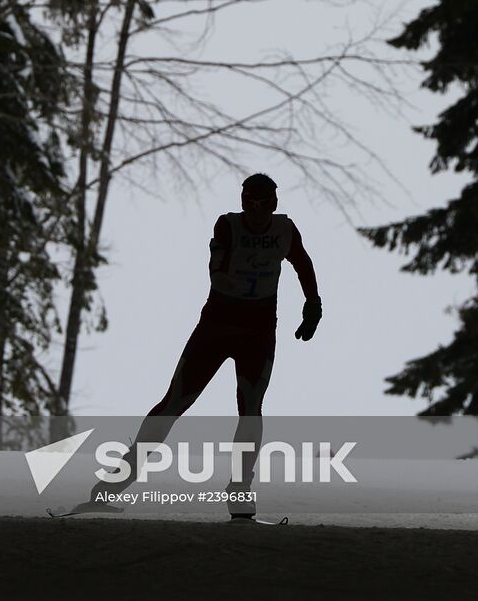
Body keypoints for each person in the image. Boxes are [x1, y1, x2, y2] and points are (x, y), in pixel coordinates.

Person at [85, 172, 322, 518]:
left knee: (251, 409)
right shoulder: (228, 225)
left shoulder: (285, 230)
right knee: (174, 403)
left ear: (274, 204)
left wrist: (313, 303)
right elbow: (217, 269)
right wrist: (232, 265)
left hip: (257, 333)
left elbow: (303, 262)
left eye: (263, 205)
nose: (256, 212)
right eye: (249, 204)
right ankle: (112, 484)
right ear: (242, 203)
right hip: (217, 328)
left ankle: (240, 490)